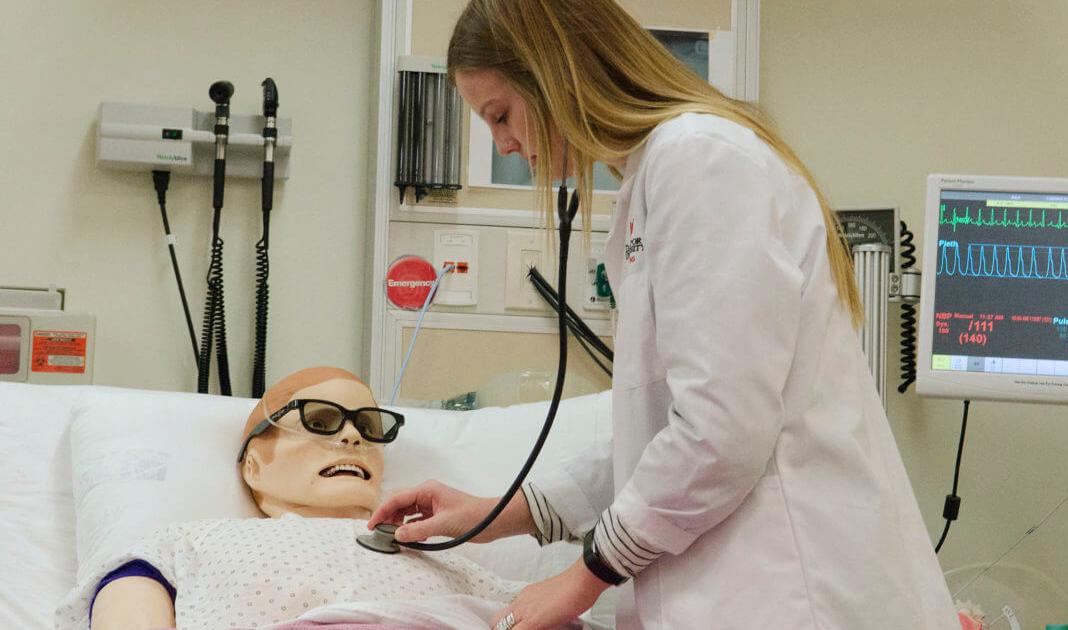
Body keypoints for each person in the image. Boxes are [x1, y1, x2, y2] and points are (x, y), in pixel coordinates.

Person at [368, 1, 959, 629]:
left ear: (557, 72)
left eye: (501, 115)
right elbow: (660, 433)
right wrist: (501, 511)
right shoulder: (662, 176)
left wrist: (583, 579)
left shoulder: (699, 160)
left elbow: (720, 433)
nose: (505, 144)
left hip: (797, 591)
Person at [57, 367, 527, 630]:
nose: (350, 437)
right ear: (254, 465)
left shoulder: (448, 561)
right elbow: (127, 599)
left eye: (368, 426)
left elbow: (538, 615)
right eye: (320, 420)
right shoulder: (187, 543)